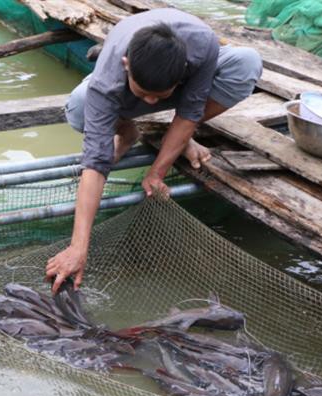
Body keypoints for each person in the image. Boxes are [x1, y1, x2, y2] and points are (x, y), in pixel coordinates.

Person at [45, 8, 262, 292]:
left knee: (248, 62)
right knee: (79, 108)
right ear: (126, 65)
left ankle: (180, 136)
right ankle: (128, 132)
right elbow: (95, 165)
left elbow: (192, 107)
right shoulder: (110, 78)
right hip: (120, 91)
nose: (149, 103)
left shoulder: (202, 46)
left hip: (186, 81)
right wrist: (78, 247)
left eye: (157, 97)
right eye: (143, 93)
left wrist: (157, 173)